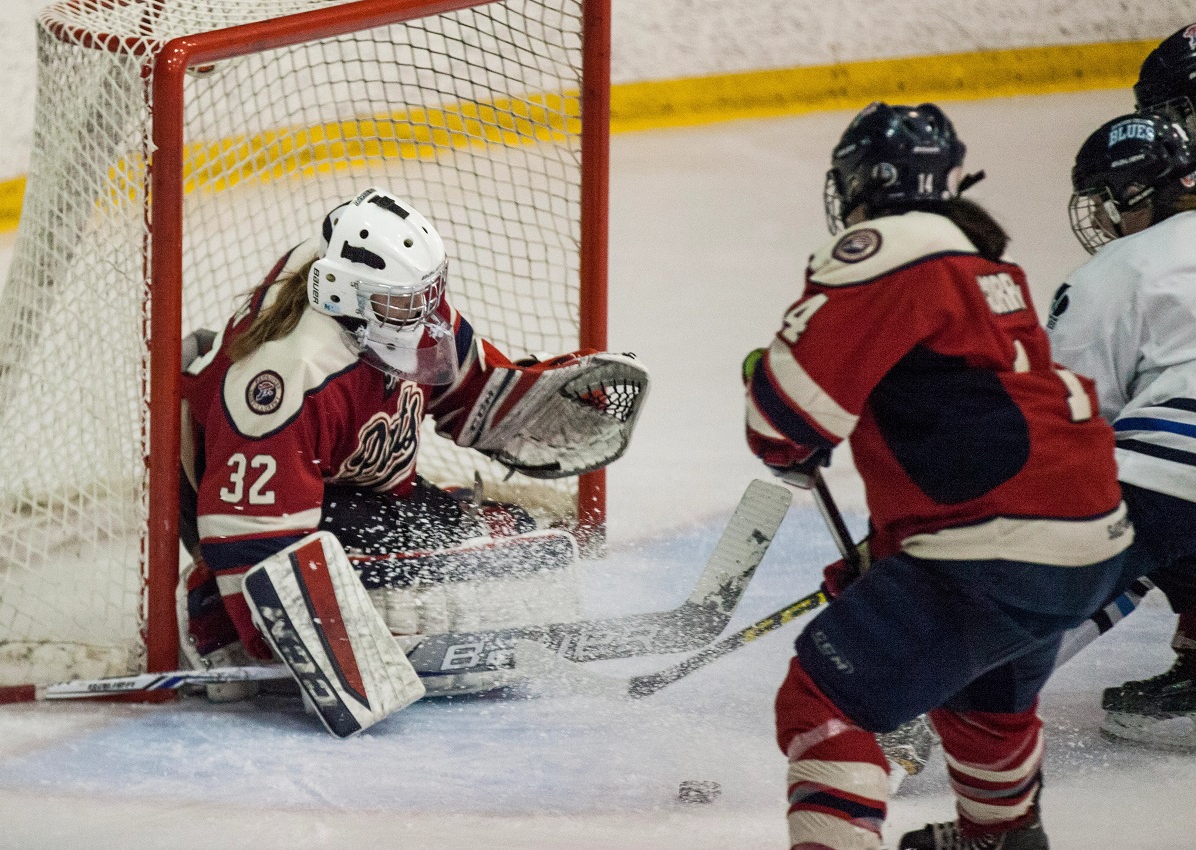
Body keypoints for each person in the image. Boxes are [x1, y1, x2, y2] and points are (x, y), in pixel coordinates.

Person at [742, 102, 1135, 850]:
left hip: (997, 543)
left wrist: (770, 386)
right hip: (1091, 534)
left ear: (862, 180)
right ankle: (1003, 840)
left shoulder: (885, 250)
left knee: (822, 700)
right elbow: (966, 432)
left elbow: (783, 428)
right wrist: (888, 556)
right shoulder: (984, 265)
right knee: (981, 697)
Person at [178, 187, 646, 697]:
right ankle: (210, 618)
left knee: (495, 542)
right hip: (247, 503)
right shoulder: (290, 374)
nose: (425, 315)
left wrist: (533, 404)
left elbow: (468, 386)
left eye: (429, 293)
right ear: (341, 293)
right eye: (406, 304)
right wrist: (285, 643)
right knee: (394, 568)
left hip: (353, 487)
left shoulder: (393, 311)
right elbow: (250, 534)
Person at [1047, 107, 1196, 750]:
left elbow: (1066, 420)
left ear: (1137, 193)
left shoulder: (1119, 267)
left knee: (1091, 543)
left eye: (1110, 203)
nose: (1107, 222)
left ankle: (923, 698)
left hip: (1178, 459)